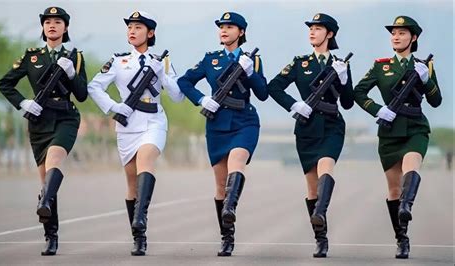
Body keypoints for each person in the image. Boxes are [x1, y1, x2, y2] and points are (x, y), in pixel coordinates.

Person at [87, 11, 184, 256]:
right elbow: (94, 86)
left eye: (138, 27)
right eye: (130, 27)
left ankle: (140, 219)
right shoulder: (118, 61)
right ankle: (139, 236)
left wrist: (161, 73)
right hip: (128, 124)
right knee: (132, 184)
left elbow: (178, 95)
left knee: (146, 159)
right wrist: (113, 106)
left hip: (154, 120)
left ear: (150, 33)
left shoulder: (162, 60)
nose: (132, 30)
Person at [0, 6, 87, 256]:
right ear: (43, 27)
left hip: (65, 117)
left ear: (65, 28)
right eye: (48, 21)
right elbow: (5, 83)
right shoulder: (32, 56)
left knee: (54, 161)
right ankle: (51, 235)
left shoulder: (76, 57)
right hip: (39, 122)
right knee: (45, 180)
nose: (52, 25)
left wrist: (70, 72)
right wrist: (24, 102)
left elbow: (82, 94)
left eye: (58, 22)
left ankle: (44, 202)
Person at [178, 12, 268, 256]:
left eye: (230, 27)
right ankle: (227, 237)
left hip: (245, 121)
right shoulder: (211, 59)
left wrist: (250, 73)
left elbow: (263, 93)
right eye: (221, 27)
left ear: (241, 32)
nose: (224, 31)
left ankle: (230, 207)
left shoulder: (253, 60)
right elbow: (184, 82)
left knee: (237, 161)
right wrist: (202, 99)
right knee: (220, 184)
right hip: (217, 124)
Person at [354, 16, 442, 259]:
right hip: (390, 132)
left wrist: (427, 80)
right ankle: (402, 238)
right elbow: (358, 92)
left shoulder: (424, 66)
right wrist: (376, 108)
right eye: (393, 32)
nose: (396, 36)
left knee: (412, 163)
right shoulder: (380, 65)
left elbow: (436, 101)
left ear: (413, 38)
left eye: (402, 33)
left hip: (415, 126)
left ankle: (407, 205)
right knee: (393, 189)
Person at [267, 13, 353, 258]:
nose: (312, 32)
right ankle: (321, 238)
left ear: (330, 34)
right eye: (311, 28)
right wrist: (295, 105)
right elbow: (274, 87)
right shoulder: (300, 62)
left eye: (318, 28)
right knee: (312, 187)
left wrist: (344, 78)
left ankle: (320, 213)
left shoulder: (340, 63)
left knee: (327, 166)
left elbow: (347, 103)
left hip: (332, 126)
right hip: (306, 127)